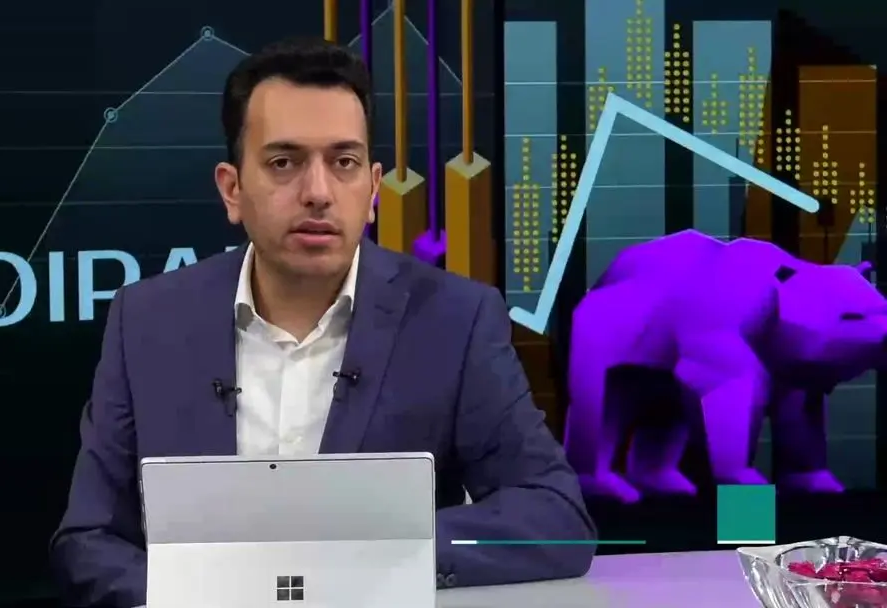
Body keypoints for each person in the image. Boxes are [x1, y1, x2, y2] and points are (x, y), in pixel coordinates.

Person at [49, 37, 596, 608]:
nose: (318, 193)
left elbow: (555, 518)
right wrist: (209, 594)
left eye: (344, 163)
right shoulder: (147, 322)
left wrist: (373, 557)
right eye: (284, 163)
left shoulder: (456, 320)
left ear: (373, 188)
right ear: (232, 189)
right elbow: (88, 542)